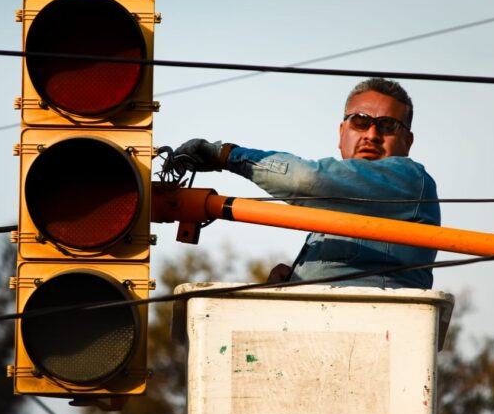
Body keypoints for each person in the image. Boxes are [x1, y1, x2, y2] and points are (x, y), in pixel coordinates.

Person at [173, 78, 440, 289]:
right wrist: (295, 281)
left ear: (408, 141)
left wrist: (225, 155)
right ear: (341, 133)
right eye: (360, 122)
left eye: (387, 126)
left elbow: (306, 179)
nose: (371, 134)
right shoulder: (340, 203)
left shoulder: (409, 179)